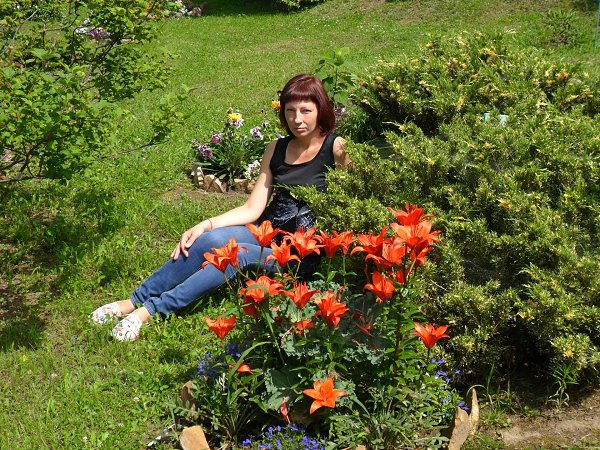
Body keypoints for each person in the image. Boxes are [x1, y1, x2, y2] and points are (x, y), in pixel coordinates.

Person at [91, 74, 349, 341]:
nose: (297, 119)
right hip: (266, 232)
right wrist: (206, 224)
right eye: (290, 110)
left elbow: (352, 202)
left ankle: (150, 311)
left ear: (321, 109)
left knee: (235, 256)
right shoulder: (277, 148)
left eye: (306, 111)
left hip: (298, 254)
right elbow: (252, 208)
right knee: (208, 240)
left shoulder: (335, 148)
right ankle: (135, 300)